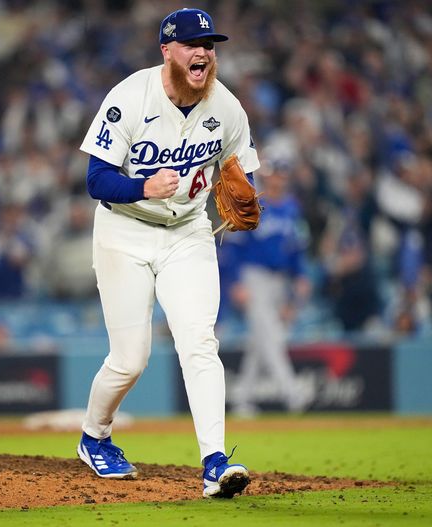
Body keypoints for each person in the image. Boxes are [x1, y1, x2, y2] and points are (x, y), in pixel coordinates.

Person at [76, 8, 257, 498]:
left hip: (189, 233)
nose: (203, 52)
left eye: (210, 45)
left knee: (200, 343)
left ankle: (215, 463)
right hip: (124, 229)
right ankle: (95, 436)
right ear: (168, 51)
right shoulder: (131, 96)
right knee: (131, 359)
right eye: (193, 44)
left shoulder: (227, 108)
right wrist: (142, 186)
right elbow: (96, 180)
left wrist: (244, 188)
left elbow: (242, 173)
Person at [227, 159, 312, 416]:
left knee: (259, 341)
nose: (278, 179)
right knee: (272, 336)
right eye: (274, 174)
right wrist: (236, 282)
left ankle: (241, 398)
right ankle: (292, 393)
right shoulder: (251, 203)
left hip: (280, 280)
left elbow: (296, 248)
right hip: (254, 277)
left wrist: (301, 276)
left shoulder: (291, 209)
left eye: (282, 174)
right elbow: (234, 248)